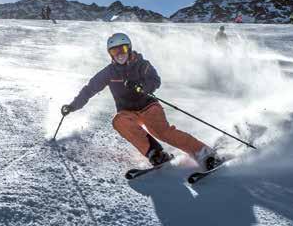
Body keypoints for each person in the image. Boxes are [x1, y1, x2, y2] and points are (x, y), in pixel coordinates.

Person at [60, 33, 223, 170]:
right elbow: (90, 89)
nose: (120, 54)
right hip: (127, 111)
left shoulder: (141, 65)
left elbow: (155, 80)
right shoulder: (108, 72)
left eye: (122, 49)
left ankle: (204, 153)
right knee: (119, 121)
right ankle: (156, 153)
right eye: (114, 51)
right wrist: (73, 106)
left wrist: (141, 86)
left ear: (129, 48)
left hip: (148, 106)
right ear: (110, 54)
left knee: (162, 132)